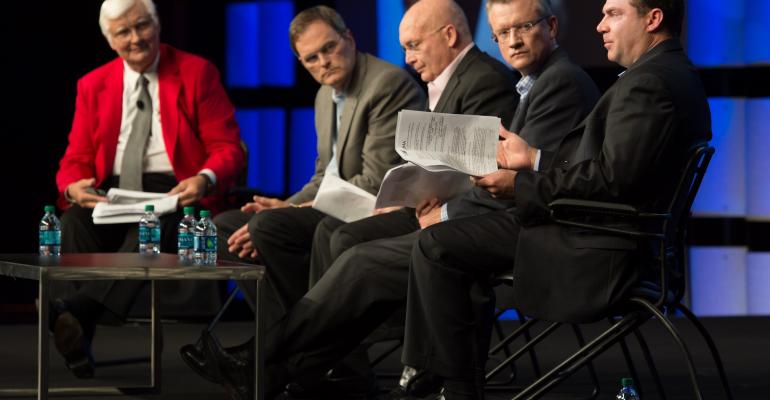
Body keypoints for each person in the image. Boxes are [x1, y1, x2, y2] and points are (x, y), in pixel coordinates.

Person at [191, 0, 600, 399]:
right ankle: (280, 365)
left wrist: (444, 209)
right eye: (502, 33)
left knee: (351, 252)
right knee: (335, 245)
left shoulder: (545, 81)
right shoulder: (531, 82)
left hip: (507, 230)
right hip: (462, 216)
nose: (512, 41)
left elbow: (526, 184)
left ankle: (272, 362)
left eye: (522, 28)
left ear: (551, 27)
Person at [404, 0, 712, 398]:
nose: (600, 26)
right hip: (617, 237)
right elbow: (611, 170)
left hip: (603, 250)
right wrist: (533, 158)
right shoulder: (667, 73)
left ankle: (452, 385)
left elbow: (612, 180)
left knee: (437, 244)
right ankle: (447, 374)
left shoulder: (649, 82)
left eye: (613, 14)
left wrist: (520, 185)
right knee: (453, 243)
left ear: (653, 19)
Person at [179, 5, 425, 399]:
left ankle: (298, 364)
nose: (324, 62)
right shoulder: (325, 98)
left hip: (374, 210)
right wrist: (279, 205)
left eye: (330, 48)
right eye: (312, 58)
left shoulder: (387, 84)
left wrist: (288, 212)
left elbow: (374, 181)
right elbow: (321, 177)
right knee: (229, 225)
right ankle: (316, 362)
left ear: (350, 39)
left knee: (268, 229)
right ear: (301, 62)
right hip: (340, 204)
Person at [50, 0, 244, 379]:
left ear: (157, 25)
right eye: (124, 32)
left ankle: (74, 311)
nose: (136, 38)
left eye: (142, 26)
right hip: (114, 189)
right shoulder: (93, 84)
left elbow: (228, 147)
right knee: (73, 219)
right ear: (110, 40)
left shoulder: (196, 72)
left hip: (176, 187)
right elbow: (75, 157)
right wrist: (73, 187)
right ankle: (78, 329)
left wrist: (204, 178)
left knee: (157, 220)